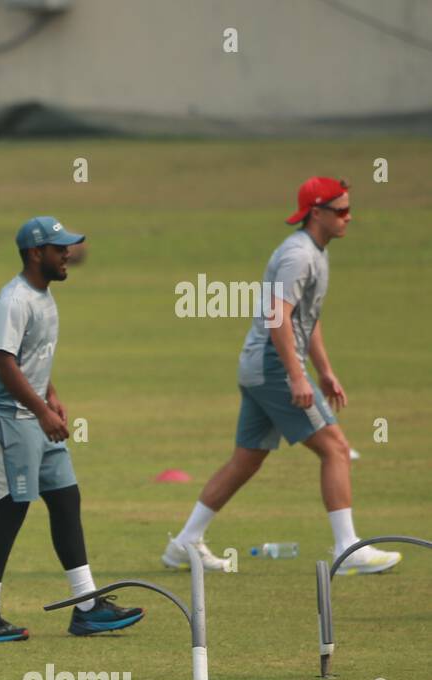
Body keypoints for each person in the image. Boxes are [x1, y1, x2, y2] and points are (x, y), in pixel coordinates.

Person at [163, 177, 401, 575]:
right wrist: (297, 376)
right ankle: (348, 550)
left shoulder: (316, 254)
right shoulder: (298, 256)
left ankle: (184, 543)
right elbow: (279, 317)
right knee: (336, 448)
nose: (348, 217)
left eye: (349, 209)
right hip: (273, 366)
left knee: (247, 459)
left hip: (263, 365)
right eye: (341, 210)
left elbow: (308, 319)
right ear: (316, 212)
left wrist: (323, 371)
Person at [0, 217, 145, 642]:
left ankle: (87, 606)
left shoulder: (44, 296)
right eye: (59, 247)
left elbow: (33, 359)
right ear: (35, 253)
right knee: (12, 510)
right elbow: (5, 363)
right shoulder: (15, 299)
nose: (68, 254)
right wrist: (42, 411)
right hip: (5, 418)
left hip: (33, 413)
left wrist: (52, 394)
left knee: (66, 498)